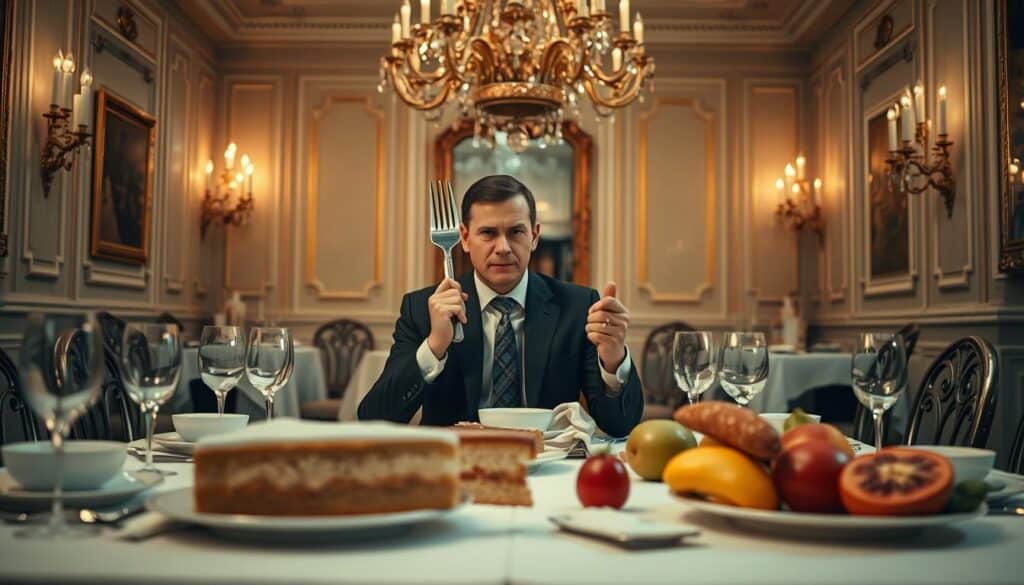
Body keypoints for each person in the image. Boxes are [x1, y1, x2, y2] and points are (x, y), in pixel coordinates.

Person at [358, 175, 643, 437]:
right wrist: (434, 346)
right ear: (465, 238)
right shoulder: (421, 308)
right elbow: (373, 419)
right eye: (488, 233)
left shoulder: (578, 306)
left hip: (549, 463)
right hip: (455, 463)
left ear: (534, 236)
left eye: (516, 232)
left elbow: (621, 425)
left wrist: (613, 360)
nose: (503, 247)